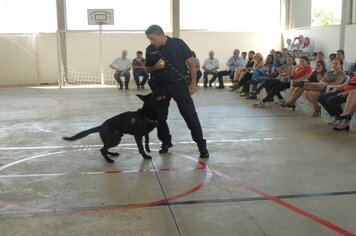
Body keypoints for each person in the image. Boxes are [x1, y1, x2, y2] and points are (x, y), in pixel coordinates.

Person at [144, 24, 209, 158]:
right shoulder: (150, 49)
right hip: (160, 87)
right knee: (160, 117)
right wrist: (155, 67)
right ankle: (165, 142)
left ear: (161, 35)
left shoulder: (178, 44)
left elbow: (192, 64)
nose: (151, 42)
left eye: (153, 38)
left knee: (190, 115)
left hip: (179, 86)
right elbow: (148, 69)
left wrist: (193, 83)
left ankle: (201, 145)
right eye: (149, 39)